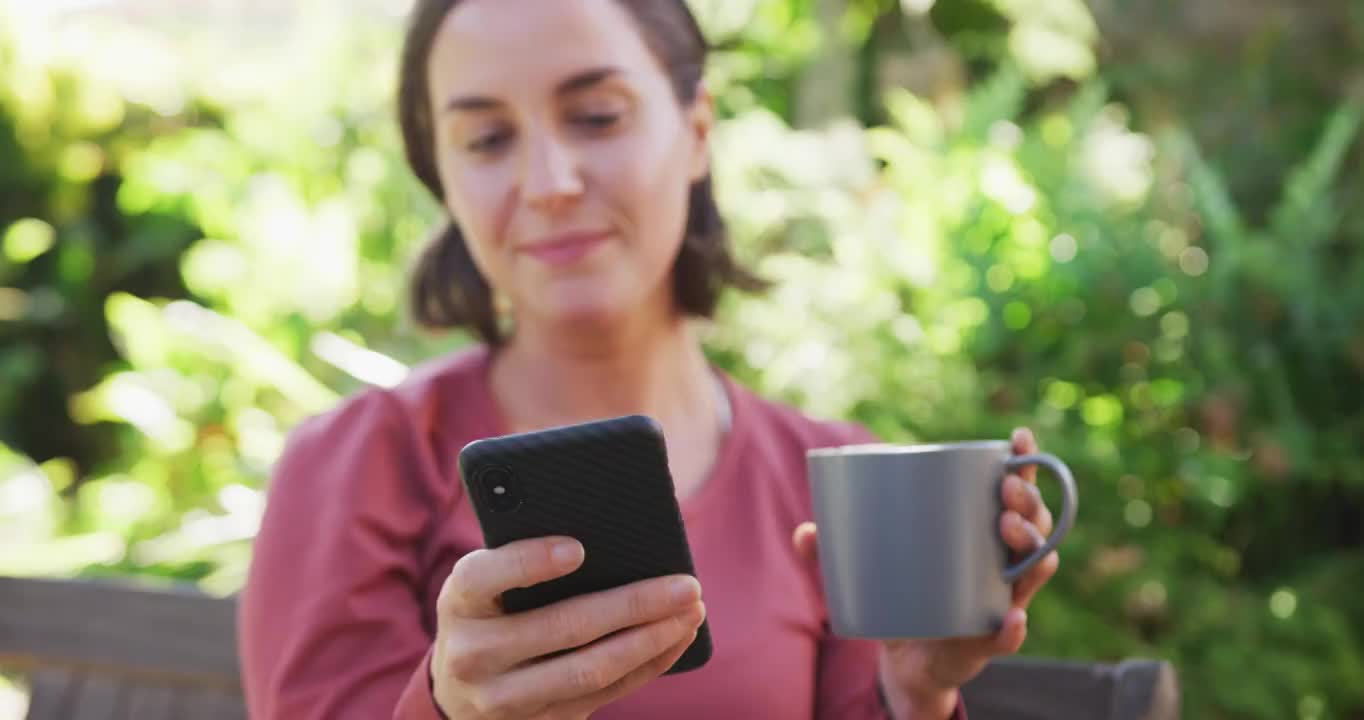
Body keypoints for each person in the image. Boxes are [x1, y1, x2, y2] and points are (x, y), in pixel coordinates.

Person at [237, 0, 1061, 718]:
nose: (550, 181)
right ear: (443, 179)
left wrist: (912, 698)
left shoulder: (829, 482)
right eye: (487, 139)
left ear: (697, 131)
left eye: (596, 116)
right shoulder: (357, 466)